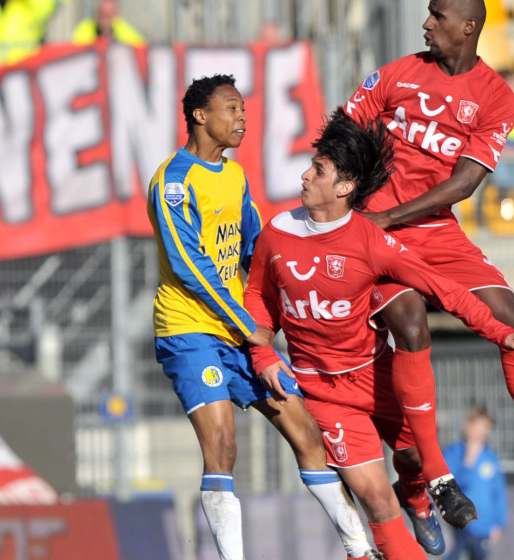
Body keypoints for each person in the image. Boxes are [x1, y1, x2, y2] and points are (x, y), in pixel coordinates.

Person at [244, 108, 514, 560]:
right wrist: (262, 354)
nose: (305, 175)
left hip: (378, 378)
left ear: (344, 187)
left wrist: (499, 331)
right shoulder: (276, 234)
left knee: (415, 460)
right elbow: (258, 298)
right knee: (377, 501)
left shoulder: (370, 240)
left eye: (317, 169)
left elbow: (445, 288)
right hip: (323, 392)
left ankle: (418, 499)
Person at [344, 0, 514, 527]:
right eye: (426, 13)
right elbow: (341, 137)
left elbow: (465, 183)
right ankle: (439, 477)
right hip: (376, 235)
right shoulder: (395, 75)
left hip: (435, 230)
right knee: (410, 323)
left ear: (468, 26)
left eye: (437, 15)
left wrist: (393, 215)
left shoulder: (496, 96)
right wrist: (359, 213)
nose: (426, 23)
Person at [147, 74, 375, 560]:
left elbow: (256, 245)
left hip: (240, 334)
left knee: (306, 431)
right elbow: (190, 266)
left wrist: (285, 300)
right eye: (231, 109)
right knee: (224, 445)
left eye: (244, 110)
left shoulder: (233, 175)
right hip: (190, 332)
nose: (242, 119)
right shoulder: (172, 182)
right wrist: (248, 323)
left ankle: (359, 549)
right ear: (200, 115)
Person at [443, 407, 508, 560]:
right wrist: (468, 462)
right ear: (467, 426)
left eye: (486, 427)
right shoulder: (454, 453)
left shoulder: (490, 457)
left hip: (484, 525)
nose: (482, 431)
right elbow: (449, 486)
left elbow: (498, 493)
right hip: (461, 521)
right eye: (479, 426)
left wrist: (498, 523)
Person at [71, 0, 144, 46]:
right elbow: (76, 50)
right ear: (96, 14)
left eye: (109, 15)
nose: (105, 21)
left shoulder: (124, 30)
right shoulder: (85, 28)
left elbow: (141, 47)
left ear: (116, 15)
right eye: (103, 14)